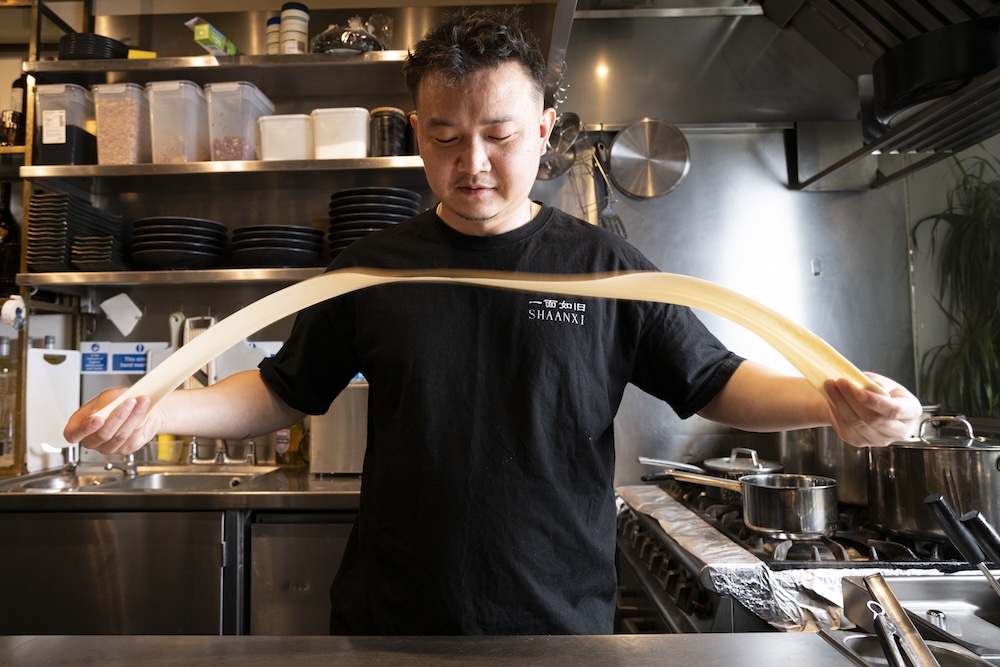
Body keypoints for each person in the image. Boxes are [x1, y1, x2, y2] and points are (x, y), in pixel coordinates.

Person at [65, 8, 922, 635]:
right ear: (414, 133)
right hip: (389, 621)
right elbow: (285, 389)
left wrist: (829, 399)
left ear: (544, 132)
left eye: (499, 135)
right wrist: (155, 411)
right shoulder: (373, 267)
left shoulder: (606, 268)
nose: (472, 163)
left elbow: (716, 380)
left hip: (556, 622)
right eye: (445, 137)